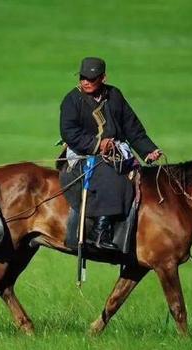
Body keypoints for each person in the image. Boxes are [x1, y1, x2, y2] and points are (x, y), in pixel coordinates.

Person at [59, 57, 162, 250]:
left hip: (115, 151)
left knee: (131, 173)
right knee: (110, 174)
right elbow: (69, 132)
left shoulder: (115, 95)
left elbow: (132, 127)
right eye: (83, 77)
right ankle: (100, 231)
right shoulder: (72, 100)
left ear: (103, 78)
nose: (86, 82)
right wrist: (98, 144)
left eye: (92, 78)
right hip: (82, 153)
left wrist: (148, 150)